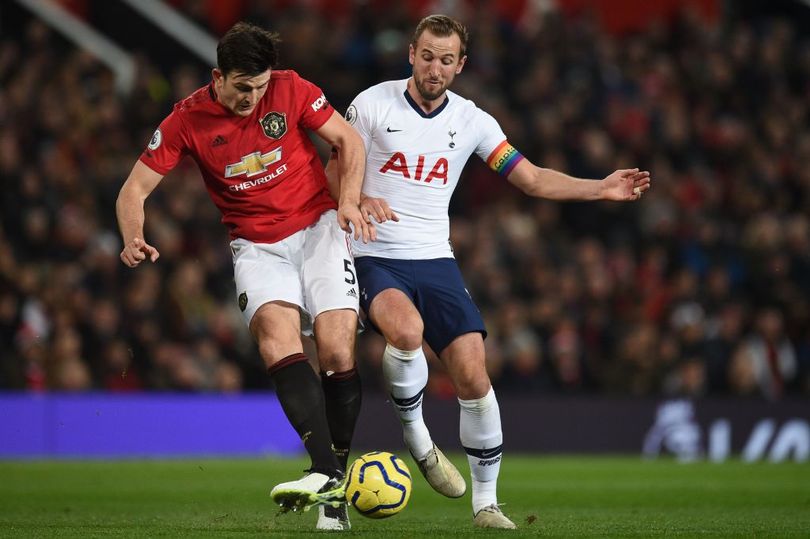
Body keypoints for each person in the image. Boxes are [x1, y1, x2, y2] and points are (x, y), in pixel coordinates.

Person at [329, 14, 652, 529]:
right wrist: (358, 196)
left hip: (435, 258)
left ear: (461, 65)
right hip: (374, 250)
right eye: (428, 56)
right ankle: (418, 440)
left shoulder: (472, 121)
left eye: (447, 60)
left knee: (474, 375)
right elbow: (334, 165)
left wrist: (601, 187)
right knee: (406, 331)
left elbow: (531, 179)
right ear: (411, 54)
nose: (435, 68)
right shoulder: (371, 104)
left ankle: (486, 504)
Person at [116, 21, 372, 531]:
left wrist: (347, 201)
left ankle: (332, 483)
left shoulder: (292, 88)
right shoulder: (186, 118)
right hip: (256, 245)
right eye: (241, 87)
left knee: (338, 350)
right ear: (217, 76)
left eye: (259, 86)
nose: (253, 98)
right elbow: (133, 191)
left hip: (319, 226)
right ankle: (327, 479)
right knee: (278, 344)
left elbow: (349, 141)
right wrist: (132, 236)